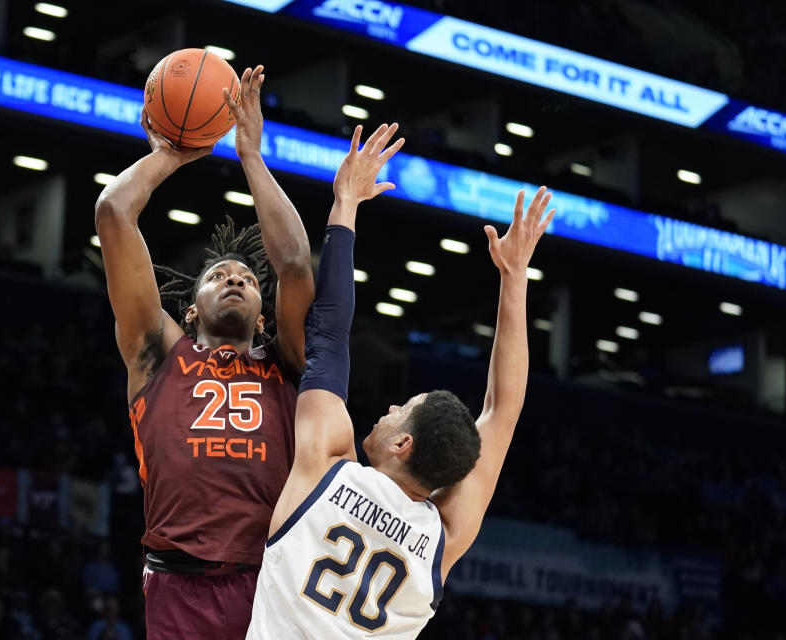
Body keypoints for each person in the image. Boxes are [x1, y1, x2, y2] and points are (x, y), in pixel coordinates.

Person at [246, 123, 555, 638]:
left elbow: (329, 331)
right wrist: (516, 279)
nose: (389, 408)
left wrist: (345, 203)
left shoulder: (326, 470)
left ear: (402, 442)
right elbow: (504, 411)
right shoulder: (442, 538)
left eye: (400, 410)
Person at [94, 64, 313, 639]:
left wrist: (251, 156)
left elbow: (293, 263)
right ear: (189, 312)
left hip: (271, 584)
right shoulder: (157, 356)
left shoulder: (286, 365)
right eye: (219, 275)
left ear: (264, 316)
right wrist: (176, 152)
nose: (236, 279)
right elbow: (113, 213)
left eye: (245, 277)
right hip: (178, 585)